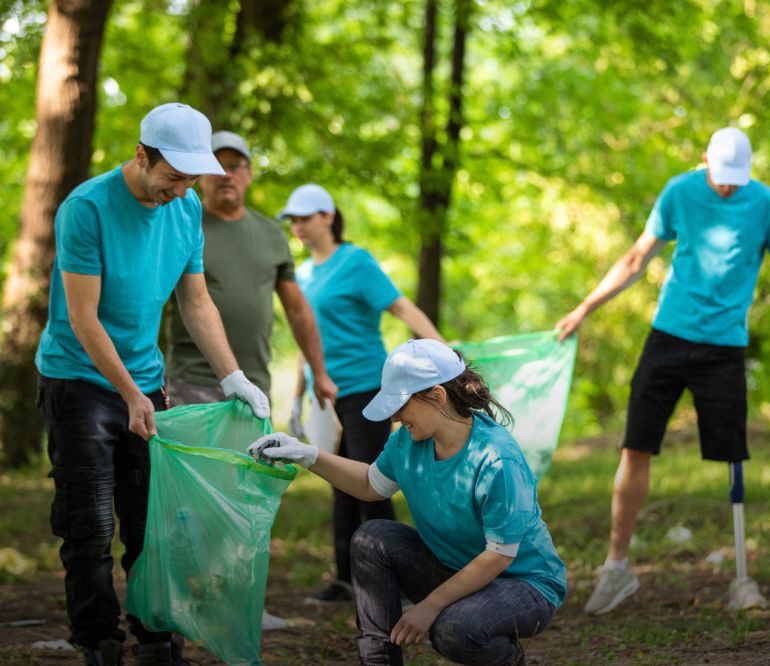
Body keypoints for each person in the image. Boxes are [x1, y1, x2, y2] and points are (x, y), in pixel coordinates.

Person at [35, 103, 270, 666]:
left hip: (143, 380)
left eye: (191, 179)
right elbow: (84, 318)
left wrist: (232, 375)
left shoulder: (186, 208)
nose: (181, 190)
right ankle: (98, 638)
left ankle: (156, 635)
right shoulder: (86, 208)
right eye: (172, 177)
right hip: (78, 378)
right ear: (142, 155)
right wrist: (129, 393)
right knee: (89, 523)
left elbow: (195, 300)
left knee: (153, 523)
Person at [556, 127, 770, 615]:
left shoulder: (767, 204)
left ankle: (742, 580)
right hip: (668, 337)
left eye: (736, 179)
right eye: (720, 176)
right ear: (704, 159)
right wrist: (585, 308)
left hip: (724, 347)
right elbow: (635, 259)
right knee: (636, 445)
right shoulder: (678, 191)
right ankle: (616, 569)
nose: (727, 187)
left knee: (733, 456)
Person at [248, 339, 567, 666]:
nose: (396, 417)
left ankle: (511, 661)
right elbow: (371, 484)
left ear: (437, 396)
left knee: (453, 631)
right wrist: (306, 454)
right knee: (373, 538)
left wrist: (429, 607)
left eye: (401, 405)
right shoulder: (408, 442)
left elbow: (498, 555)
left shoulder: (496, 458)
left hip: (523, 584)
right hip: (455, 569)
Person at [166, 130, 336, 631]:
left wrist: (320, 371)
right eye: (217, 165)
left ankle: (240, 601)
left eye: (237, 165)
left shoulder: (269, 234)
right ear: (202, 173)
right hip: (191, 382)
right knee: (192, 501)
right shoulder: (182, 222)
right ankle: (182, 601)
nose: (228, 174)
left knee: (246, 495)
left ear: (249, 173)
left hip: (253, 389)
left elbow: (298, 309)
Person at [278, 184, 446, 603]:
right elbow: (305, 340)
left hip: (367, 388)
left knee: (373, 482)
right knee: (339, 482)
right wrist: (297, 397)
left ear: (328, 216)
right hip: (327, 395)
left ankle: (402, 582)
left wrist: (443, 352)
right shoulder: (302, 274)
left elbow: (401, 307)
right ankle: (346, 580)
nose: (297, 225)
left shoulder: (355, 262)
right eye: (293, 219)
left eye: (305, 217)